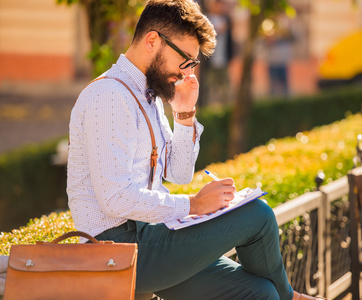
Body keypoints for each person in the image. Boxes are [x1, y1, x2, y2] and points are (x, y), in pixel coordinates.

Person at [67, 1, 328, 299]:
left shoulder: (146, 97)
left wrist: (185, 114)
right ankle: (292, 297)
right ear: (153, 41)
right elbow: (115, 198)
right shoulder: (110, 96)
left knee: (259, 293)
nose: (186, 73)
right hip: (116, 249)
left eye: (192, 64)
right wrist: (194, 205)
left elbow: (178, 174)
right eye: (185, 60)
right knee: (258, 215)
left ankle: (282, 295)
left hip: (147, 239)